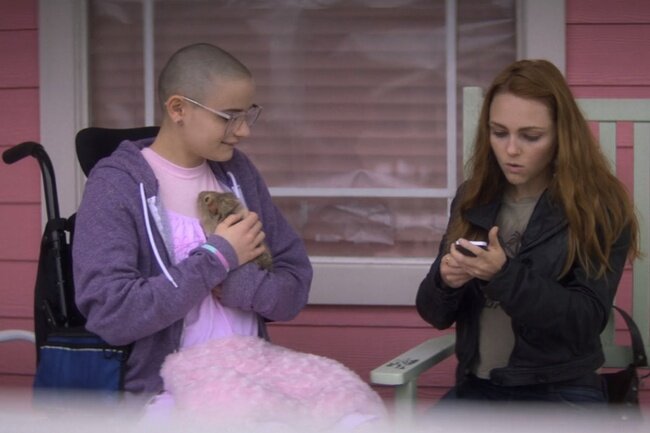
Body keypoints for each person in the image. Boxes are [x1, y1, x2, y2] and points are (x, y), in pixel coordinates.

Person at [72, 43, 313, 408]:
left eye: (249, 115)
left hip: (255, 382)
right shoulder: (116, 185)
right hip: (167, 397)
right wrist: (217, 258)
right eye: (229, 117)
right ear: (178, 109)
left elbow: (294, 286)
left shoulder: (237, 174)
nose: (243, 131)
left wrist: (240, 285)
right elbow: (112, 314)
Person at [416, 59, 639, 405]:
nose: (511, 150)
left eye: (530, 136)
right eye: (499, 132)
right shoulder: (473, 196)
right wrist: (445, 281)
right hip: (477, 388)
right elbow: (434, 314)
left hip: (560, 390)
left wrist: (503, 275)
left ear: (562, 135)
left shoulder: (597, 206)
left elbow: (585, 321)